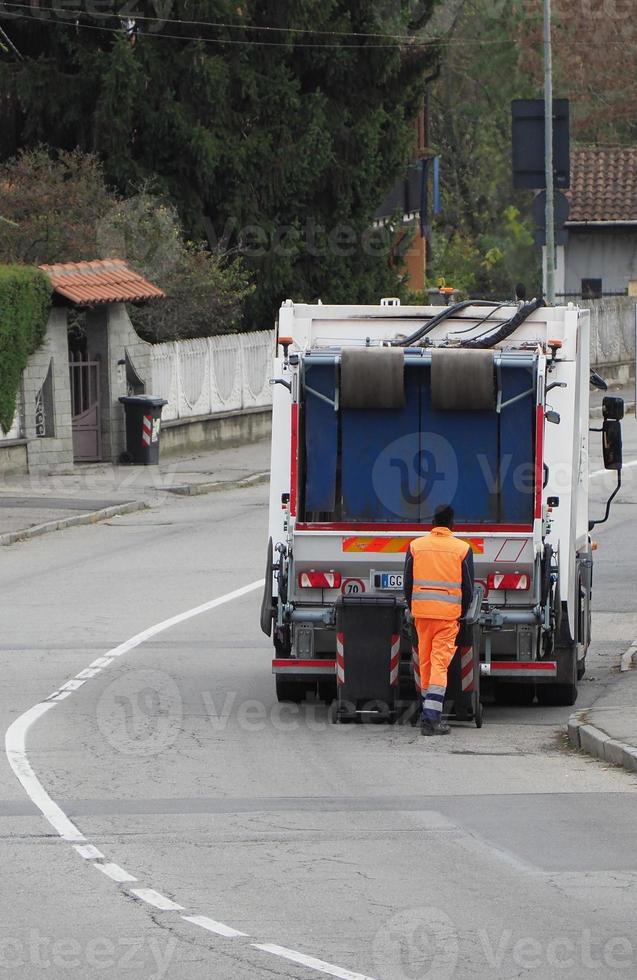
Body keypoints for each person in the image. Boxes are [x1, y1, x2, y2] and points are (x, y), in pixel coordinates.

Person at [403, 504, 474, 736]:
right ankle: (431, 719)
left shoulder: (416, 546)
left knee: (425, 662)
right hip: (447, 617)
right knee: (439, 664)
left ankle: (427, 713)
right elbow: (468, 588)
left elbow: (407, 583)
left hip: (421, 615)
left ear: (432, 524)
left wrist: (413, 606)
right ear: (452, 524)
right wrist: (462, 612)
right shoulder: (462, 549)